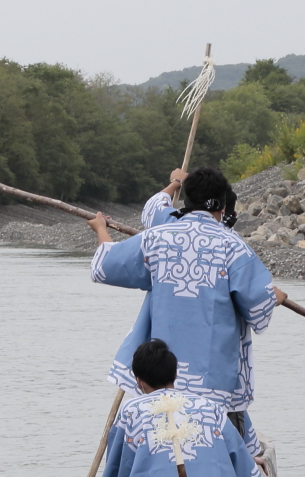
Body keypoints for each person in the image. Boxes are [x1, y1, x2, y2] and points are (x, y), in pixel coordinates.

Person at [89, 167, 284, 453]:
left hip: (159, 374)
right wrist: (275, 297)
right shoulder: (235, 248)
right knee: (229, 434)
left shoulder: (158, 234)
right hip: (213, 377)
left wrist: (101, 230)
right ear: (222, 205)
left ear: (186, 199)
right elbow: (258, 307)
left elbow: (105, 266)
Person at [89, 339, 281, 477]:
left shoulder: (132, 410)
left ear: (138, 381)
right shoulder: (209, 406)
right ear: (175, 375)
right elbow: (238, 454)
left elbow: (117, 466)